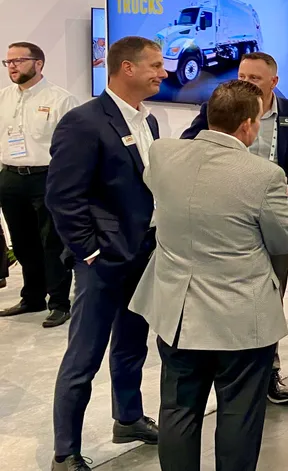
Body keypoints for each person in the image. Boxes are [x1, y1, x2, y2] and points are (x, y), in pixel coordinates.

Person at [130, 80, 288, 471]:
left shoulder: (164, 153)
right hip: (241, 321)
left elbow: (154, 188)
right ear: (246, 126)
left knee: (177, 409)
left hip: (177, 315)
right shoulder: (265, 175)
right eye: (258, 120)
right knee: (239, 414)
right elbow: (281, 241)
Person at [46, 37, 166, 471]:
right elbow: (63, 197)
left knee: (131, 345)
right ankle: (65, 451)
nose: (163, 72)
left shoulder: (148, 122)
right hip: (103, 261)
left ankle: (128, 418)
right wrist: (89, 252)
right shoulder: (83, 122)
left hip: (142, 253)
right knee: (84, 355)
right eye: (154, 65)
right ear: (126, 68)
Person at [181, 51, 288, 404]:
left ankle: (268, 370)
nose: (245, 81)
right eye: (242, 74)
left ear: (273, 82)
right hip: (229, 222)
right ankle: (226, 367)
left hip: (277, 219)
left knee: (269, 300)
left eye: (255, 78)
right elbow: (189, 146)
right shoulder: (218, 107)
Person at [0, 42, 80, 327]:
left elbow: (73, 147)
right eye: (8, 61)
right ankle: (31, 297)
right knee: (22, 243)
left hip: (47, 177)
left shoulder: (61, 99)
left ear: (38, 64)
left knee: (52, 243)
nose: (12, 66)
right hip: (10, 177)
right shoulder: (4, 97)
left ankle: (59, 303)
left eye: (19, 61)